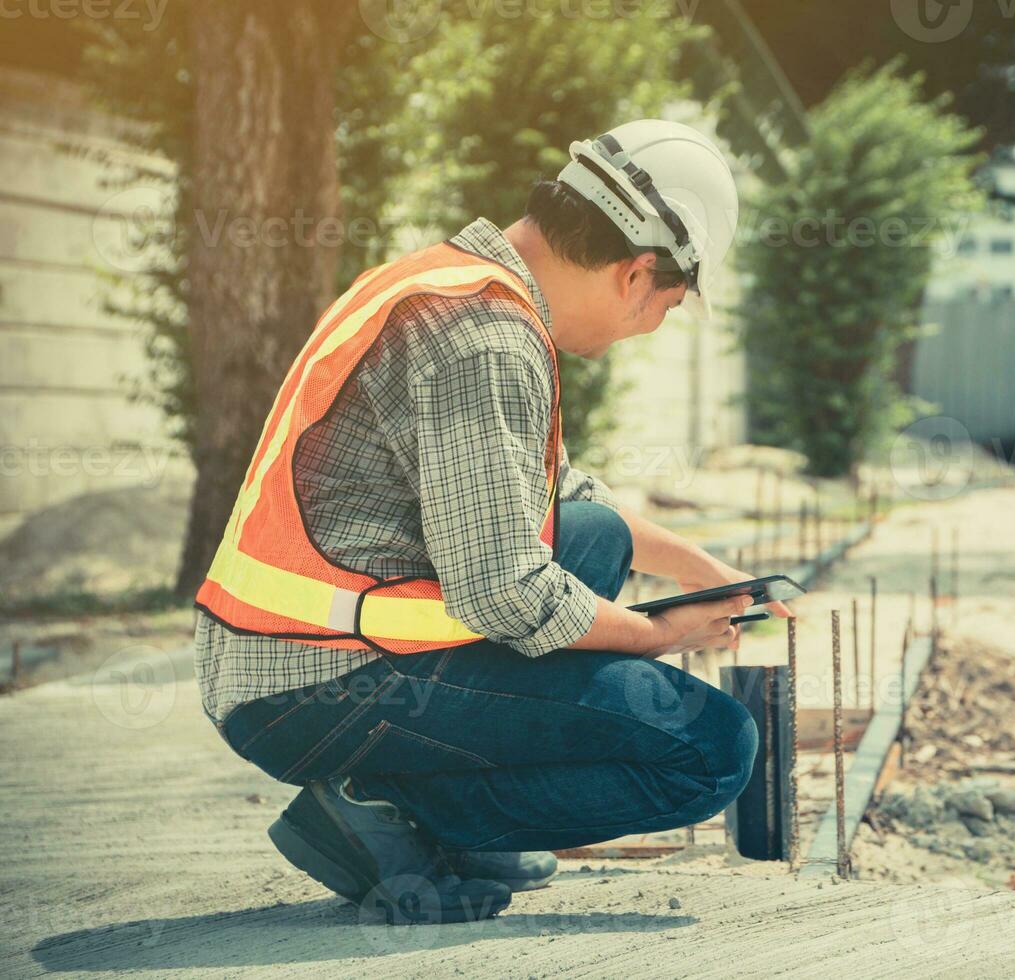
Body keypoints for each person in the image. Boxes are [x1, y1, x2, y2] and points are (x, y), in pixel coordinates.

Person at [193, 120, 790, 924]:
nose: (651, 327)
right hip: (318, 687)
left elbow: (555, 492)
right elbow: (505, 591)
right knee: (712, 750)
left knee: (595, 535)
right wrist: (661, 634)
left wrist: (692, 567)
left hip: (289, 657)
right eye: (667, 306)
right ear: (637, 271)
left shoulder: (453, 281)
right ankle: (390, 807)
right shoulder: (486, 341)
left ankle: (445, 804)